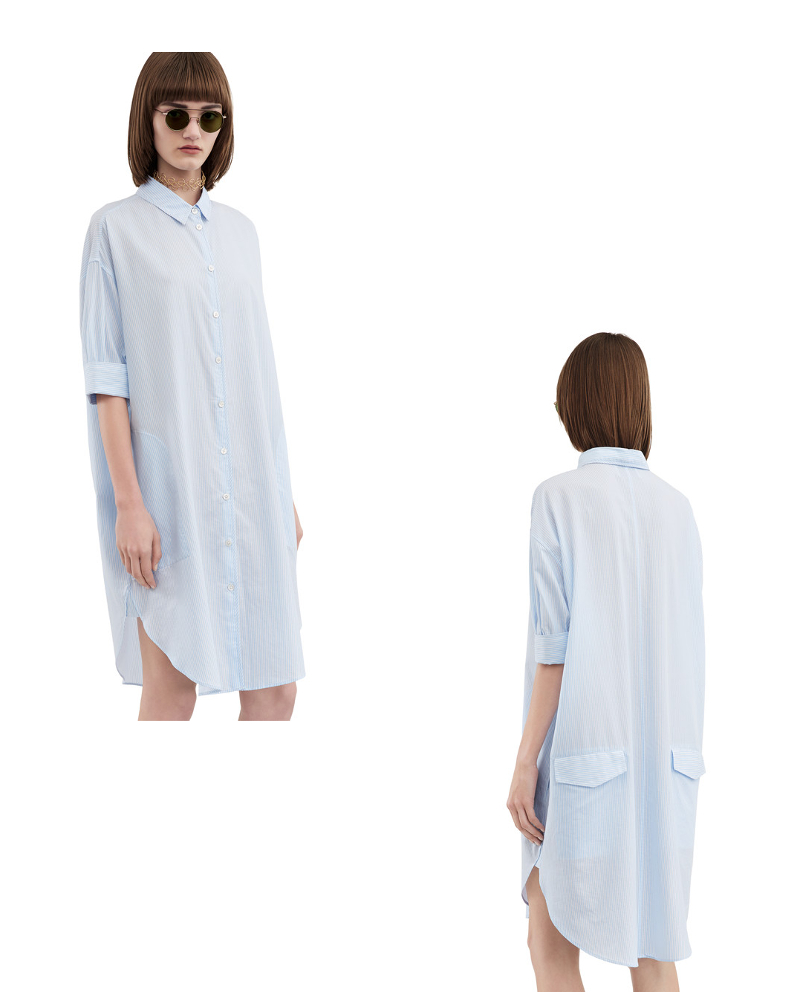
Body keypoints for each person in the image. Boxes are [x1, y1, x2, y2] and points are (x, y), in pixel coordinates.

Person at [78, 52, 305, 721]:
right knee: (173, 692)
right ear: (147, 120)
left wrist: (281, 492)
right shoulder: (114, 229)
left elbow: (255, 371)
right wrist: (129, 504)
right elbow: (107, 380)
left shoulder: (241, 234)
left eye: (210, 118)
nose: (193, 131)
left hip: (253, 493)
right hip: (169, 493)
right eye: (175, 114)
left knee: (276, 691)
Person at [507, 333, 706, 990]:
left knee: (549, 940)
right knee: (652, 950)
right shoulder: (678, 510)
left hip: (583, 765)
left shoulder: (558, 498)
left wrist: (525, 762)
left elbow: (554, 651)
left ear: (578, 403)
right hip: (667, 766)